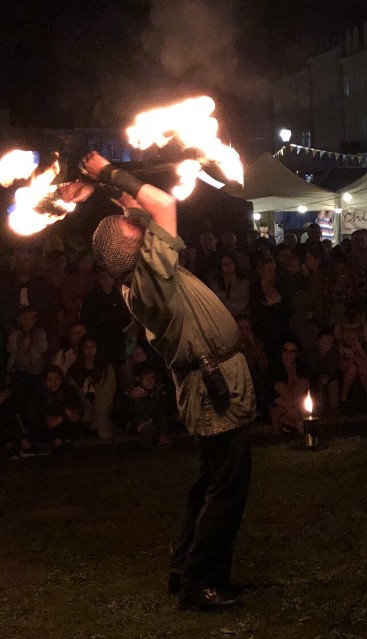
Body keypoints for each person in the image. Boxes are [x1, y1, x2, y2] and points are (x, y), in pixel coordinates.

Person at [59, 150, 256, 611]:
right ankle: (198, 585)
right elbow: (163, 203)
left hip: (211, 381)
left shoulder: (143, 269)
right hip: (214, 388)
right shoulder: (152, 276)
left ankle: (189, 570)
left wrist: (100, 186)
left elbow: (141, 206)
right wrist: (108, 170)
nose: (141, 219)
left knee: (210, 483)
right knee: (226, 490)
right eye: (136, 226)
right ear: (134, 248)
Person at [66, 333, 116, 440]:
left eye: (93, 347)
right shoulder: (74, 369)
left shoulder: (106, 367)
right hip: (85, 406)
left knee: (104, 434)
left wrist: (98, 416)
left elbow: (107, 393)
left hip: (102, 406)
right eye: (86, 347)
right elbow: (73, 393)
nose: (89, 351)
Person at [268, 340, 310, 434]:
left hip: (297, 403)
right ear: (281, 352)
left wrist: (295, 401)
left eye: (292, 351)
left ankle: (289, 425)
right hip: (280, 403)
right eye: (286, 350)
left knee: (303, 383)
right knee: (281, 407)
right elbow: (270, 392)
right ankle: (297, 425)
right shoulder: (274, 369)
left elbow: (309, 387)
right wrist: (287, 403)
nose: (289, 354)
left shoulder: (302, 368)